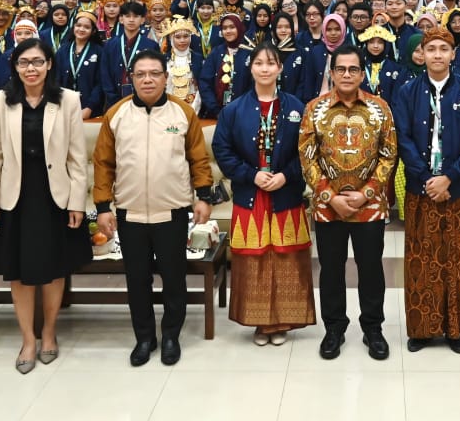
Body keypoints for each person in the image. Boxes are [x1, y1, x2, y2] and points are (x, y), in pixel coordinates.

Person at [94, 48, 215, 366]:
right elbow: (103, 164)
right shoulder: (117, 114)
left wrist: (203, 196)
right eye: (140, 74)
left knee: (174, 279)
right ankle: (144, 338)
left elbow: (198, 159)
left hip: (171, 211)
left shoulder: (182, 113)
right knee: (137, 280)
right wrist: (103, 206)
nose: (147, 79)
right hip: (130, 212)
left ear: (165, 77)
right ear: (131, 78)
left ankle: (171, 335)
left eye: (154, 74)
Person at [0, 38, 92, 373]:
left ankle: (49, 332)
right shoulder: (1, 100)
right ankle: (28, 339)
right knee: (19, 272)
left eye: (38, 62)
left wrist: (76, 202)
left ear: (49, 65)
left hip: (54, 196)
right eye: (24, 63)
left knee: (54, 269)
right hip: (14, 198)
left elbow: (77, 158)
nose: (31, 69)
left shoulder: (68, 100)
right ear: (15, 67)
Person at [299, 44, 398, 361]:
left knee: (371, 269)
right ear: (332, 73)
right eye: (340, 69)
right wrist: (329, 196)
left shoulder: (380, 108)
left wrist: (365, 193)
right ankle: (334, 328)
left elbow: (388, 154)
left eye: (353, 69)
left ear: (362, 73)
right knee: (331, 269)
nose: (346, 74)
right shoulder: (314, 108)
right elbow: (307, 156)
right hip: (328, 207)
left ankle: (373, 328)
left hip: (369, 205)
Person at [212, 43, 314, 346]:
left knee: (286, 258)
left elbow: (308, 150)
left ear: (280, 68)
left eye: (271, 63)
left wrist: (286, 175)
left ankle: (282, 322)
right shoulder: (233, 110)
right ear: (251, 67)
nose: (265, 68)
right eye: (259, 63)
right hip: (251, 195)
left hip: (286, 194)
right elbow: (222, 150)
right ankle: (260, 324)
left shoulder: (297, 108)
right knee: (253, 260)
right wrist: (251, 174)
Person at [392, 26, 460, 354]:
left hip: (456, 190)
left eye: (444, 49)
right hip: (420, 189)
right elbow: (403, 139)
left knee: (455, 260)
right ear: (422, 54)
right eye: (431, 49)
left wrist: (449, 178)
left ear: (453, 53)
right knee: (421, 259)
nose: (437, 55)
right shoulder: (407, 92)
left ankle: (453, 328)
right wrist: (427, 178)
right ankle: (421, 329)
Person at [101, 1, 160, 110]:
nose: (131, 20)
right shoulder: (110, 45)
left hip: (143, 101)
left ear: (142, 20)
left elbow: (155, 74)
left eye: (136, 16)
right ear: (121, 19)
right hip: (114, 102)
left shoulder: (151, 46)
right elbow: (105, 74)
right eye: (127, 16)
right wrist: (113, 99)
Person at [199, 12, 252, 117]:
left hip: (244, 112)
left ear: (239, 28)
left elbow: (254, 85)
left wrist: (244, 109)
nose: (228, 31)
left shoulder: (249, 52)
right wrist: (215, 110)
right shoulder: (216, 52)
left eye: (232, 27)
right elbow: (205, 82)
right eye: (224, 28)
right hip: (217, 113)